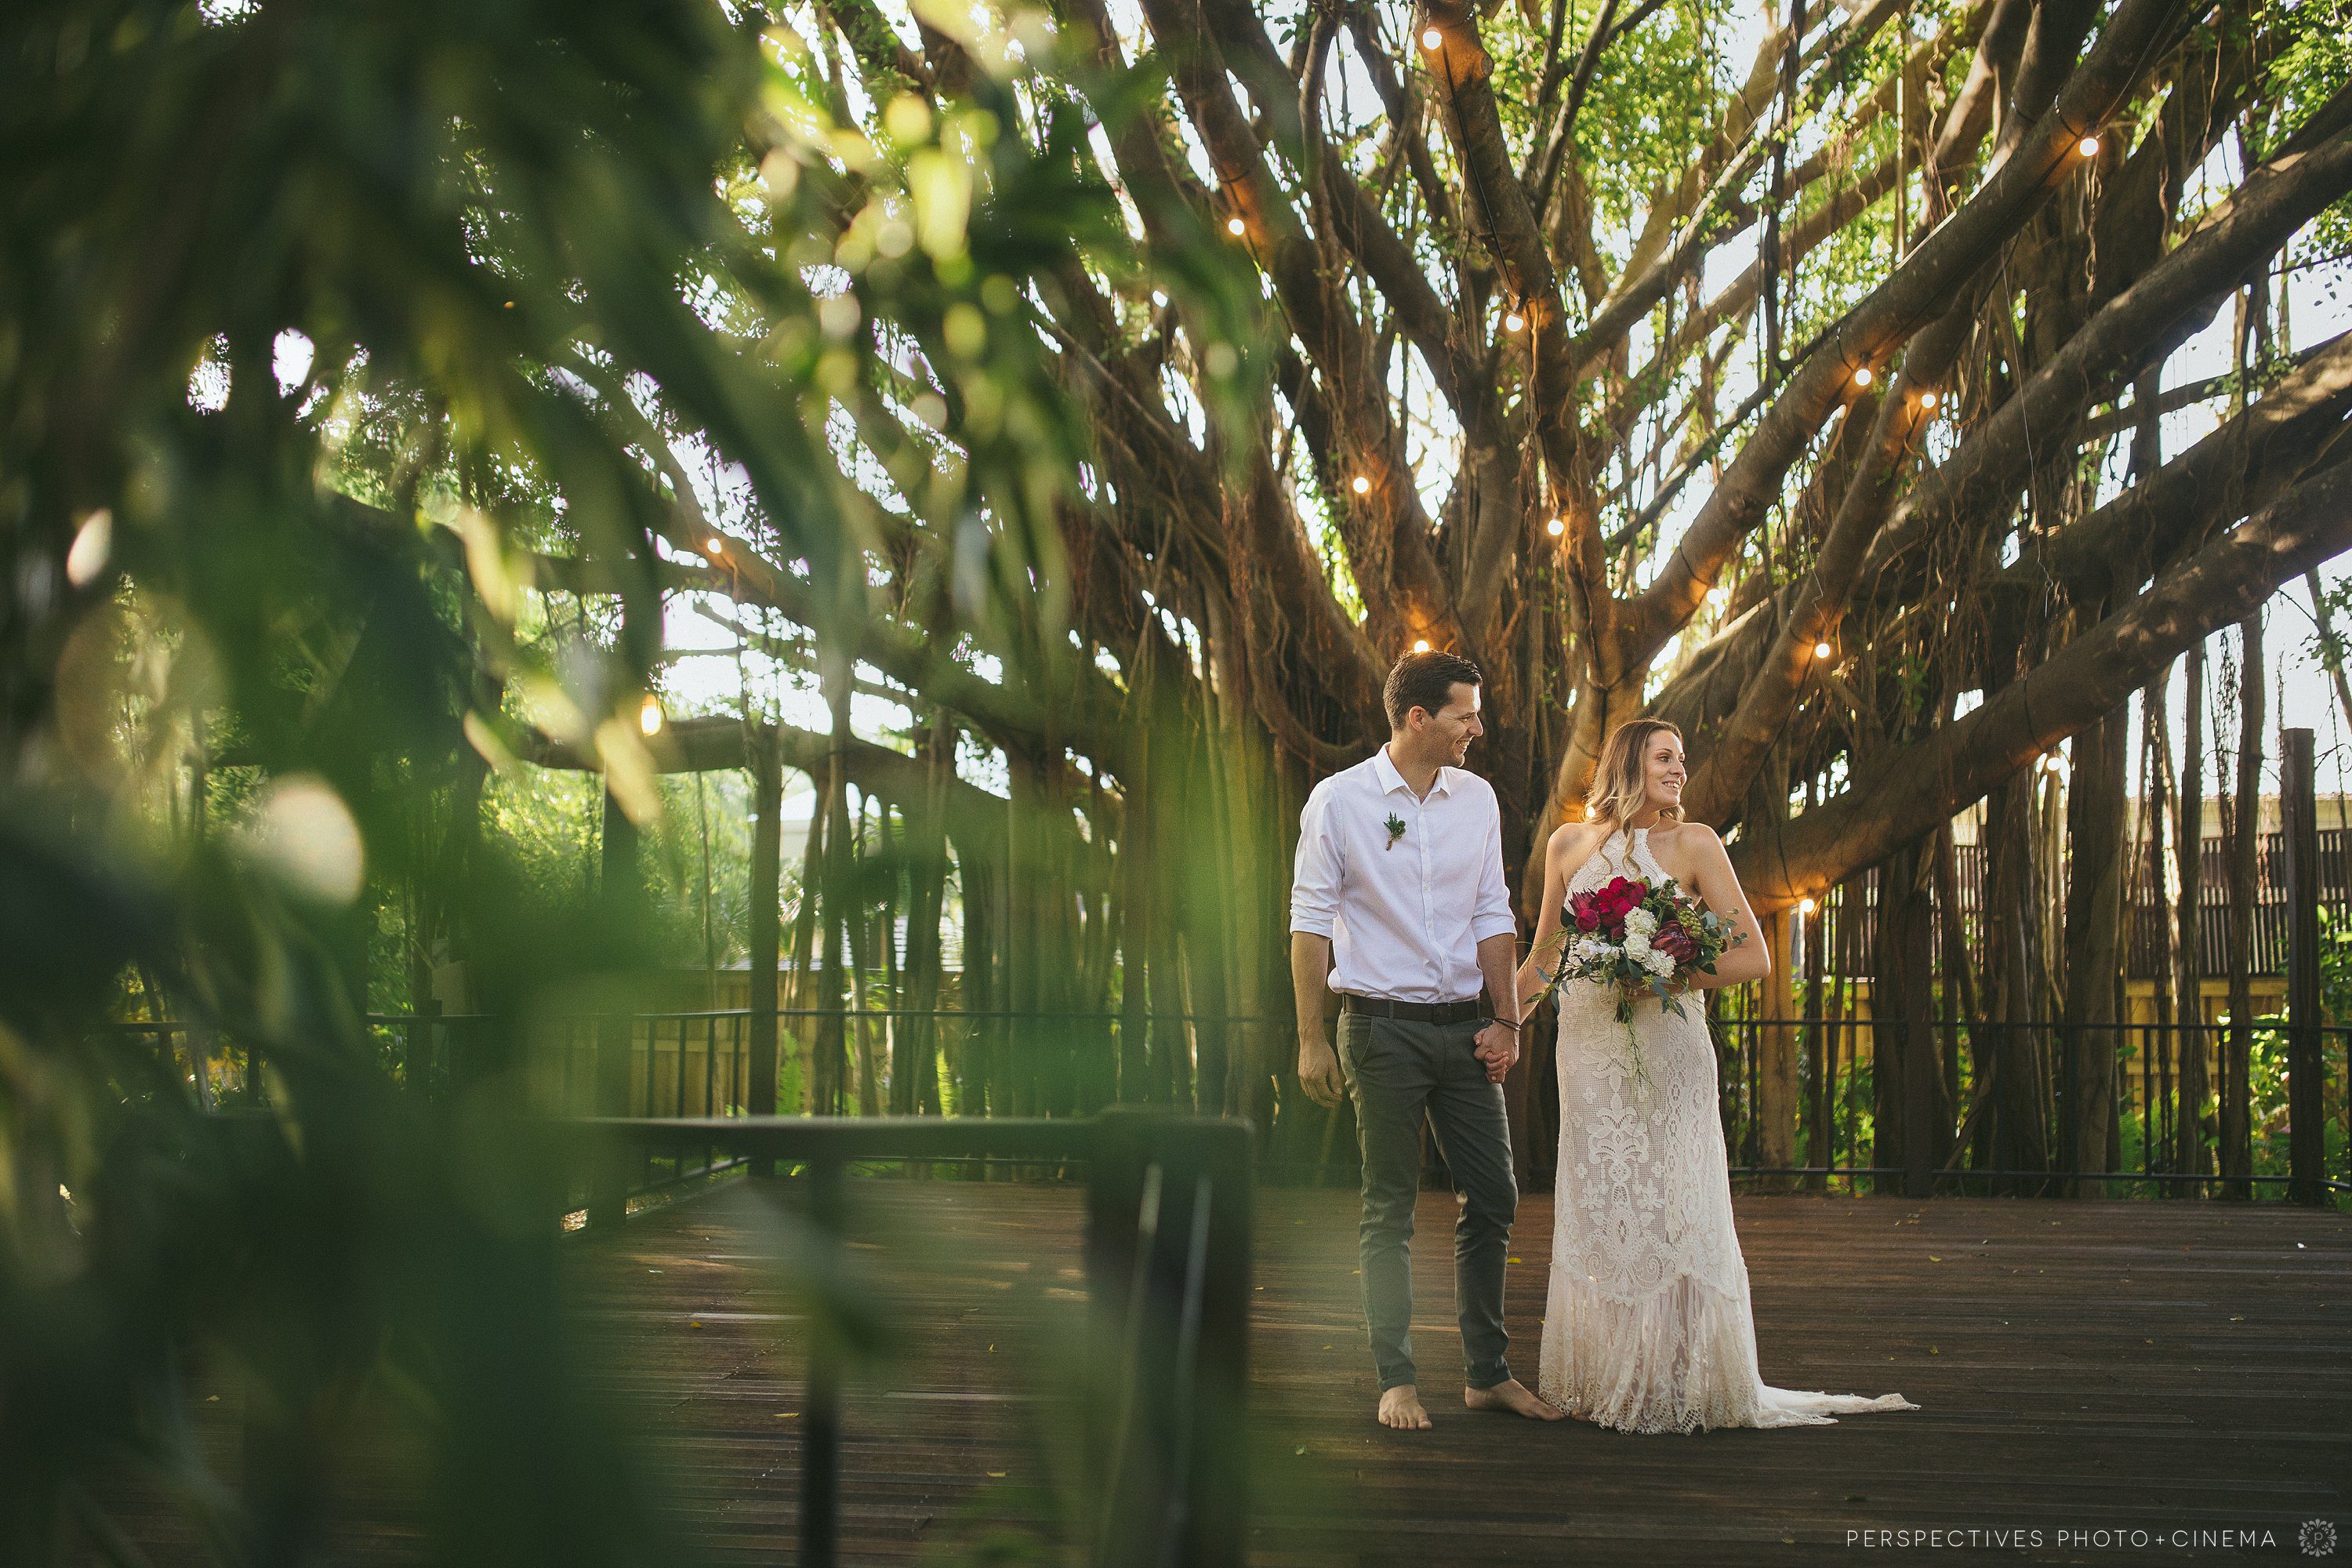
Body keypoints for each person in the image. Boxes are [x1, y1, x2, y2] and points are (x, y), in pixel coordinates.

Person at [1515, 717, 1920, 1432]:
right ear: (1628, 763)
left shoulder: (1698, 843)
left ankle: (1680, 1379)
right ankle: (1609, 1375)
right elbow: (1547, 955)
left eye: (1682, 759)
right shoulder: (1567, 845)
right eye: (1664, 757)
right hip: (1590, 1056)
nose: (1680, 769)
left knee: (1675, 1203)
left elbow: (1751, 956)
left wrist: (1661, 973)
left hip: (1669, 1049)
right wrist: (1500, 1021)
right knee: (1605, 1203)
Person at [1290, 650, 1565, 1431]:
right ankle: (1397, 1379)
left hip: (1466, 1029)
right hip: (1380, 1029)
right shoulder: (1339, 800)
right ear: (1419, 718)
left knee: (1496, 1194)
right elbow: (1310, 921)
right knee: (1390, 1206)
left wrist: (1507, 1019)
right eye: (1464, 715)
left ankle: (1487, 1374)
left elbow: (1492, 912)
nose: (1478, 728)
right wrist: (1312, 1038)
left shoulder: (1477, 799)